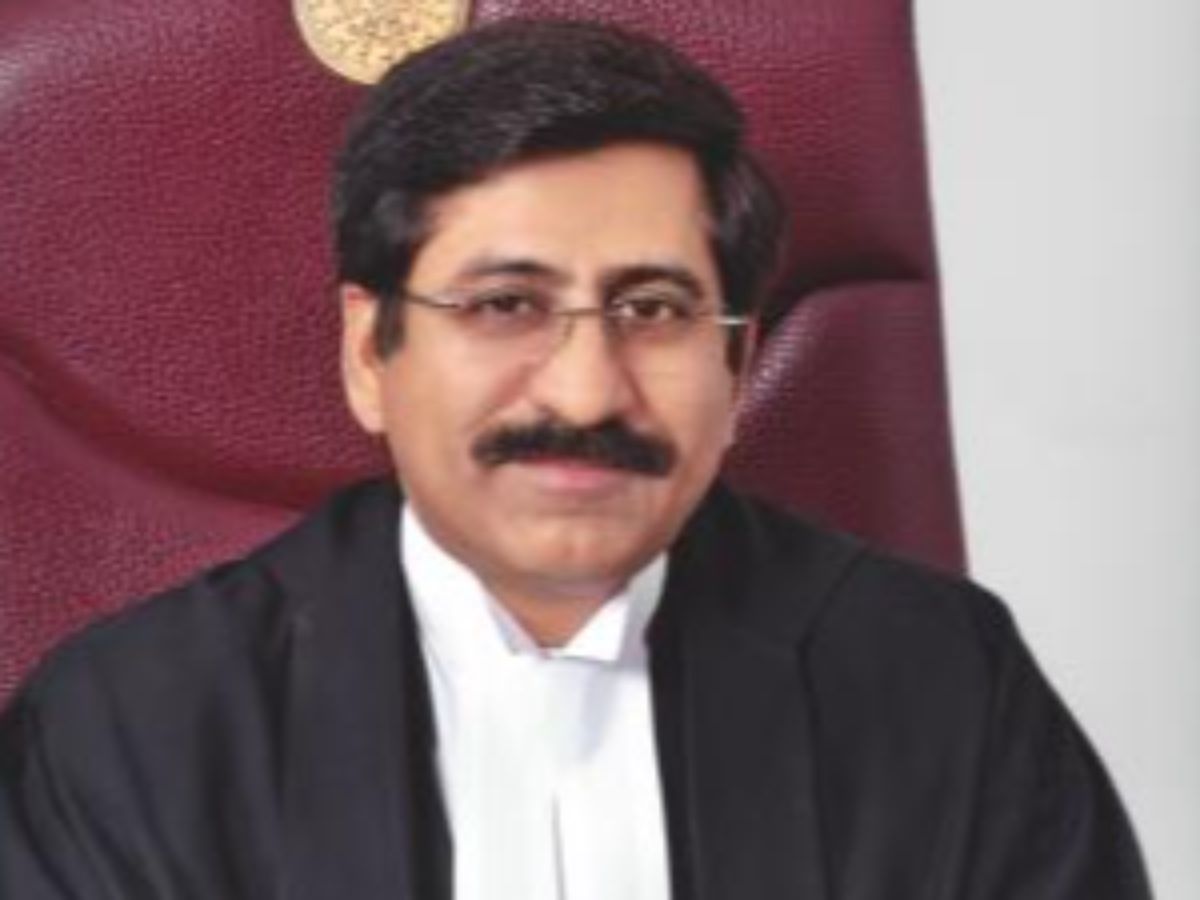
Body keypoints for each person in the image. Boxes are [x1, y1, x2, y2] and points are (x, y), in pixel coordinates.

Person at [0, 18, 1151, 900]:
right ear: (369, 352)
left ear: (737, 363)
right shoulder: (127, 728)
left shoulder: (945, 687)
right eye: (506, 304)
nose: (588, 391)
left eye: (654, 310)